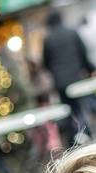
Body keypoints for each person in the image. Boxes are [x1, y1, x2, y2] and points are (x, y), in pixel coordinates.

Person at [42, 8, 95, 137]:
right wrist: (90, 69)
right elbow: (83, 54)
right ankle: (87, 133)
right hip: (77, 79)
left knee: (70, 112)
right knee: (84, 108)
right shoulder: (72, 33)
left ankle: (78, 136)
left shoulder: (48, 39)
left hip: (60, 82)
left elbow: (46, 63)